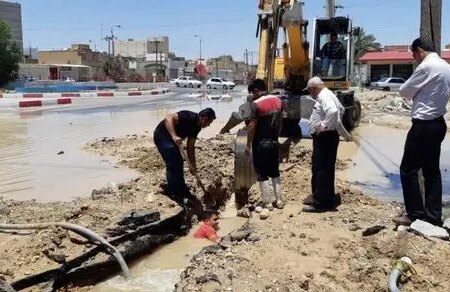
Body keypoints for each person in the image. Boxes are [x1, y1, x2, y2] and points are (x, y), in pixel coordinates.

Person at [393, 38, 450, 227]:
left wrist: (416, 94)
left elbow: (404, 91)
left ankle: (414, 213)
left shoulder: (426, 66)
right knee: (431, 171)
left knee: (407, 170)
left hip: (423, 125)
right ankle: (433, 216)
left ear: (419, 50)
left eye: (414, 54)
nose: (414, 58)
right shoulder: (445, 65)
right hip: (438, 124)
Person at [153, 108, 216, 216]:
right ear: (205, 119)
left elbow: (190, 146)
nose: (209, 125)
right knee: (173, 160)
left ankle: (181, 189)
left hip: (173, 141)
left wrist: (193, 165)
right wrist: (174, 135)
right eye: (210, 122)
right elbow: (169, 118)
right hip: (162, 136)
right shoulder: (188, 116)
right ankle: (174, 192)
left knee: (179, 162)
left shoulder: (197, 128)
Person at [302, 76, 351, 213]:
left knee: (321, 170)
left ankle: (321, 203)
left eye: (310, 90)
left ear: (314, 88)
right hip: (327, 136)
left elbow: (334, 111)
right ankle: (322, 197)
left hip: (325, 137)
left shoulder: (324, 96)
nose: (310, 93)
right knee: (323, 169)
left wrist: (323, 125)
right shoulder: (328, 94)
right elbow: (340, 110)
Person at [245, 78, 285, 219]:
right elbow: (281, 122)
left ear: (256, 90)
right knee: (275, 172)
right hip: (274, 142)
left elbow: (251, 126)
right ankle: (279, 200)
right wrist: (276, 137)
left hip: (260, 144)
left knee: (262, 174)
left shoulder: (255, 105)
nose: (252, 96)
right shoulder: (279, 101)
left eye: (252, 93)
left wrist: (248, 144)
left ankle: (267, 203)